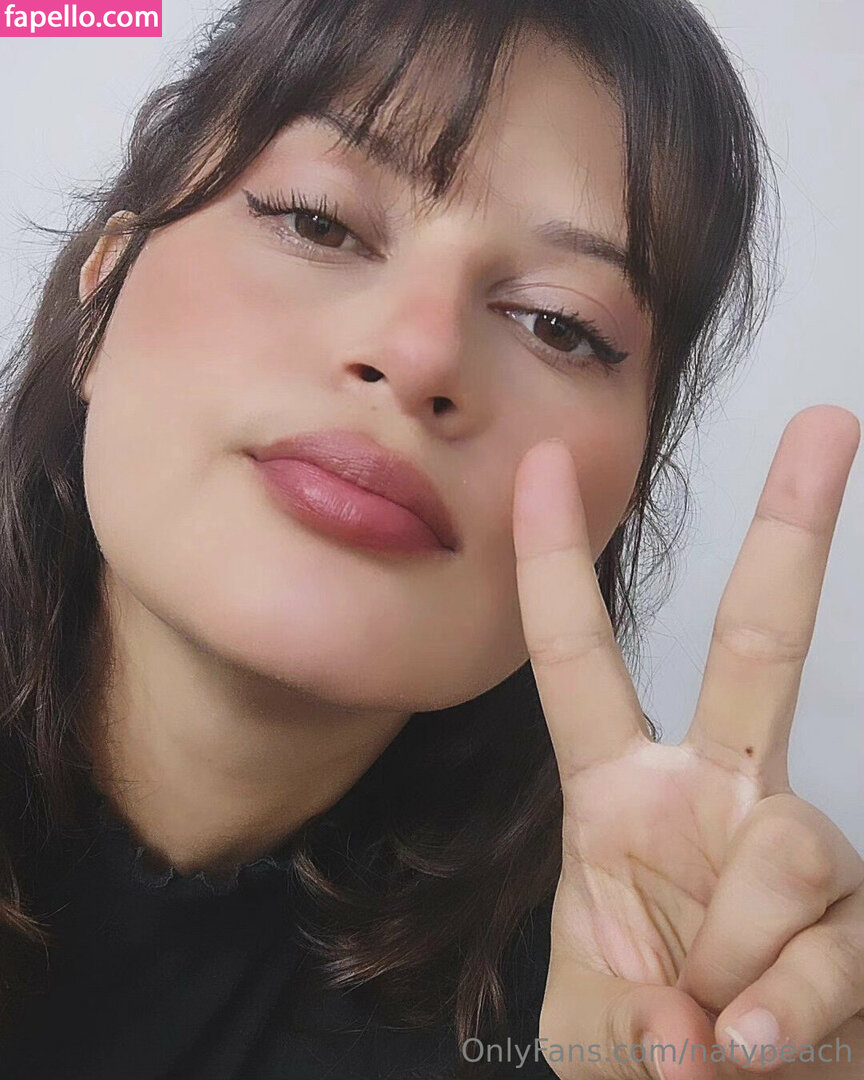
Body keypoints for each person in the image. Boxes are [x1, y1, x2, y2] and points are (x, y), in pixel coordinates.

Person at [0, 0, 861, 1077]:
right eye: (319, 222)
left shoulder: (610, 994)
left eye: (558, 323)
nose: (418, 356)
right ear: (102, 297)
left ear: (626, 492)